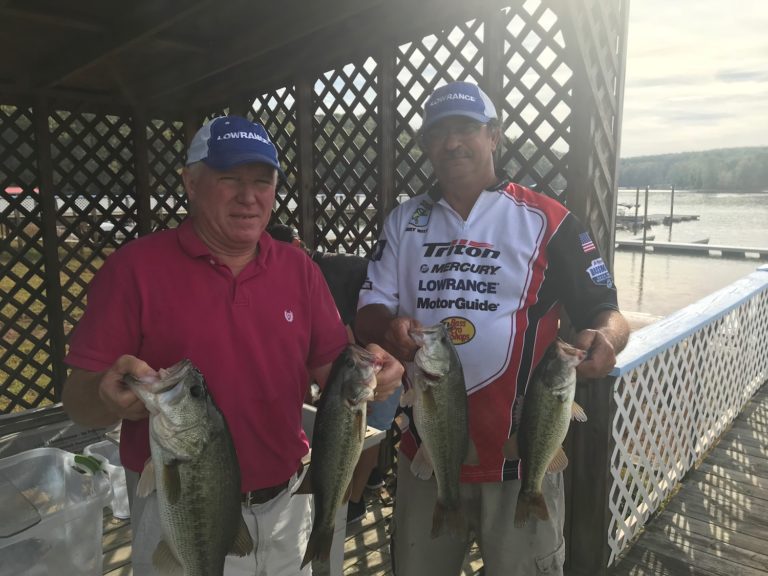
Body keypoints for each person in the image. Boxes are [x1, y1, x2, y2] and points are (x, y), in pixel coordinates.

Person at [61, 115, 403, 576]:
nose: (249, 196)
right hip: (179, 506)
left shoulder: (300, 270)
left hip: (285, 504)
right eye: (230, 180)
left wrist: (375, 379)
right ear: (191, 182)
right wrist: (106, 397)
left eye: (262, 182)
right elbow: (79, 402)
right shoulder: (133, 270)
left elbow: (333, 371)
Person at [354, 81, 630, 576]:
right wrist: (390, 327)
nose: (452, 143)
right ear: (426, 145)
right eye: (438, 133)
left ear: (494, 136)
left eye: (465, 129)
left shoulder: (551, 219)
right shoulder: (403, 220)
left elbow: (604, 309)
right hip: (428, 456)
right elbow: (369, 309)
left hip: (526, 455)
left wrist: (606, 339)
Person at [267, 222, 401, 524]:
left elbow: (347, 340)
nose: (277, 261)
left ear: (299, 245)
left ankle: (353, 502)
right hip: (358, 357)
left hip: (379, 352)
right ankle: (367, 481)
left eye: (281, 252)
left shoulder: (323, 274)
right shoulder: (291, 275)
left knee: (372, 426)